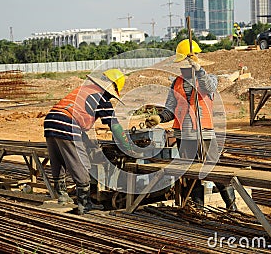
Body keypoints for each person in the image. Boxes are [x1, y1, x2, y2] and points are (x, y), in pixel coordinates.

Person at [145, 39, 237, 211]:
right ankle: (197, 208)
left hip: (204, 133)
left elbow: (209, 87)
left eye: (185, 64)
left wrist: (199, 70)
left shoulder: (208, 78)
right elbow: (170, 109)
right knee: (190, 173)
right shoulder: (176, 83)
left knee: (214, 170)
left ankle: (231, 206)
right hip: (184, 136)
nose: (182, 68)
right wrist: (159, 118)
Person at [44, 69, 132, 215]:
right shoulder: (102, 99)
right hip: (67, 124)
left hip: (51, 120)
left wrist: (87, 141)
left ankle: (62, 196)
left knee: (58, 159)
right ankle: (85, 204)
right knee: (79, 162)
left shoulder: (83, 90)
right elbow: (114, 125)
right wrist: (127, 145)